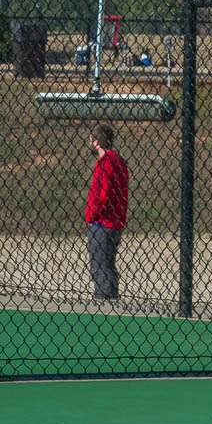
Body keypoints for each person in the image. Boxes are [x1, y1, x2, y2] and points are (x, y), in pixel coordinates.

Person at [84, 124, 129, 300]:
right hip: (114, 221)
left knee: (100, 266)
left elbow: (101, 195)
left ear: (96, 142)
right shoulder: (118, 161)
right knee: (107, 265)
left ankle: (105, 300)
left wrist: (91, 216)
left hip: (103, 222)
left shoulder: (106, 163)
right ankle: (109, 297)